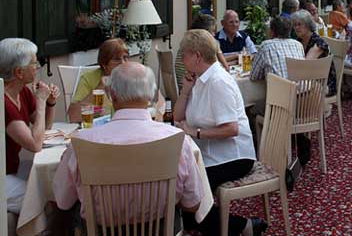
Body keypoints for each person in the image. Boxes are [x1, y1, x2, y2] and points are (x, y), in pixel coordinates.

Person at [54, 63, 204, 230]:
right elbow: (193, 204)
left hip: (102, 231)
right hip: (160, 229)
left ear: (112, 95)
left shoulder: (81, 143)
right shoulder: (177, 140)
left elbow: (63, 201)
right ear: (150, 96)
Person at [173, 30, 264, 236]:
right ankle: (241, 226)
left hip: (234, 156)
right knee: (185, 189)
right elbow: (177, 119)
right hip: (209, 154)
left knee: (187, 189)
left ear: (197, 56)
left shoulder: (217, 82)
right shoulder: (199, 78)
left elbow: (232, 129)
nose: (182, 59)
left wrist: (195, 132)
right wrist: (186, 90)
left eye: (184, 54)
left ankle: (240, 226)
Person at [1, 38, 58, 214]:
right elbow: (35, 145)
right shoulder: (3, 102)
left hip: (11, 168)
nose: (38, 66)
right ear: (19, 72)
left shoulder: (22, 91)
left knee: (53, 183)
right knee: (42, 199)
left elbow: (44, 130)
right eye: (34, 63)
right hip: (3, 176)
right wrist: (40, 101)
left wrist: (50, 104)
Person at [68, 38, 129, 122]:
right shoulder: (89, 79)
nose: (123, 63)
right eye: (117, 59)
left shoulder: (131, 78)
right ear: (104, 64)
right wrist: (100, 87)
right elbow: (73, 116)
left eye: (125, 58)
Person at [175, 14, 229, 92]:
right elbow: (225, 68)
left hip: (182, 89)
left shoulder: (186, 42)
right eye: (212, 31)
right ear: (205, 33)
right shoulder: (207, 45)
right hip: (195, 91)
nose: (214, 34)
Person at [291, 10, 337, 97]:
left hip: (324, 84)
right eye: (295, 25)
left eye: (299, 24)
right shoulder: (298, 41)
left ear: (308, 25)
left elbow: (305, 64)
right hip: (307, 80)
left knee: (291, 89)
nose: (296, 28)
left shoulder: (318, 43)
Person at [250, 17, 305, 81]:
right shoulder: (298, 45)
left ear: (272, 31)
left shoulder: (266, 46)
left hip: (280, 89)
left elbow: (253, 77)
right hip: (303, 89)